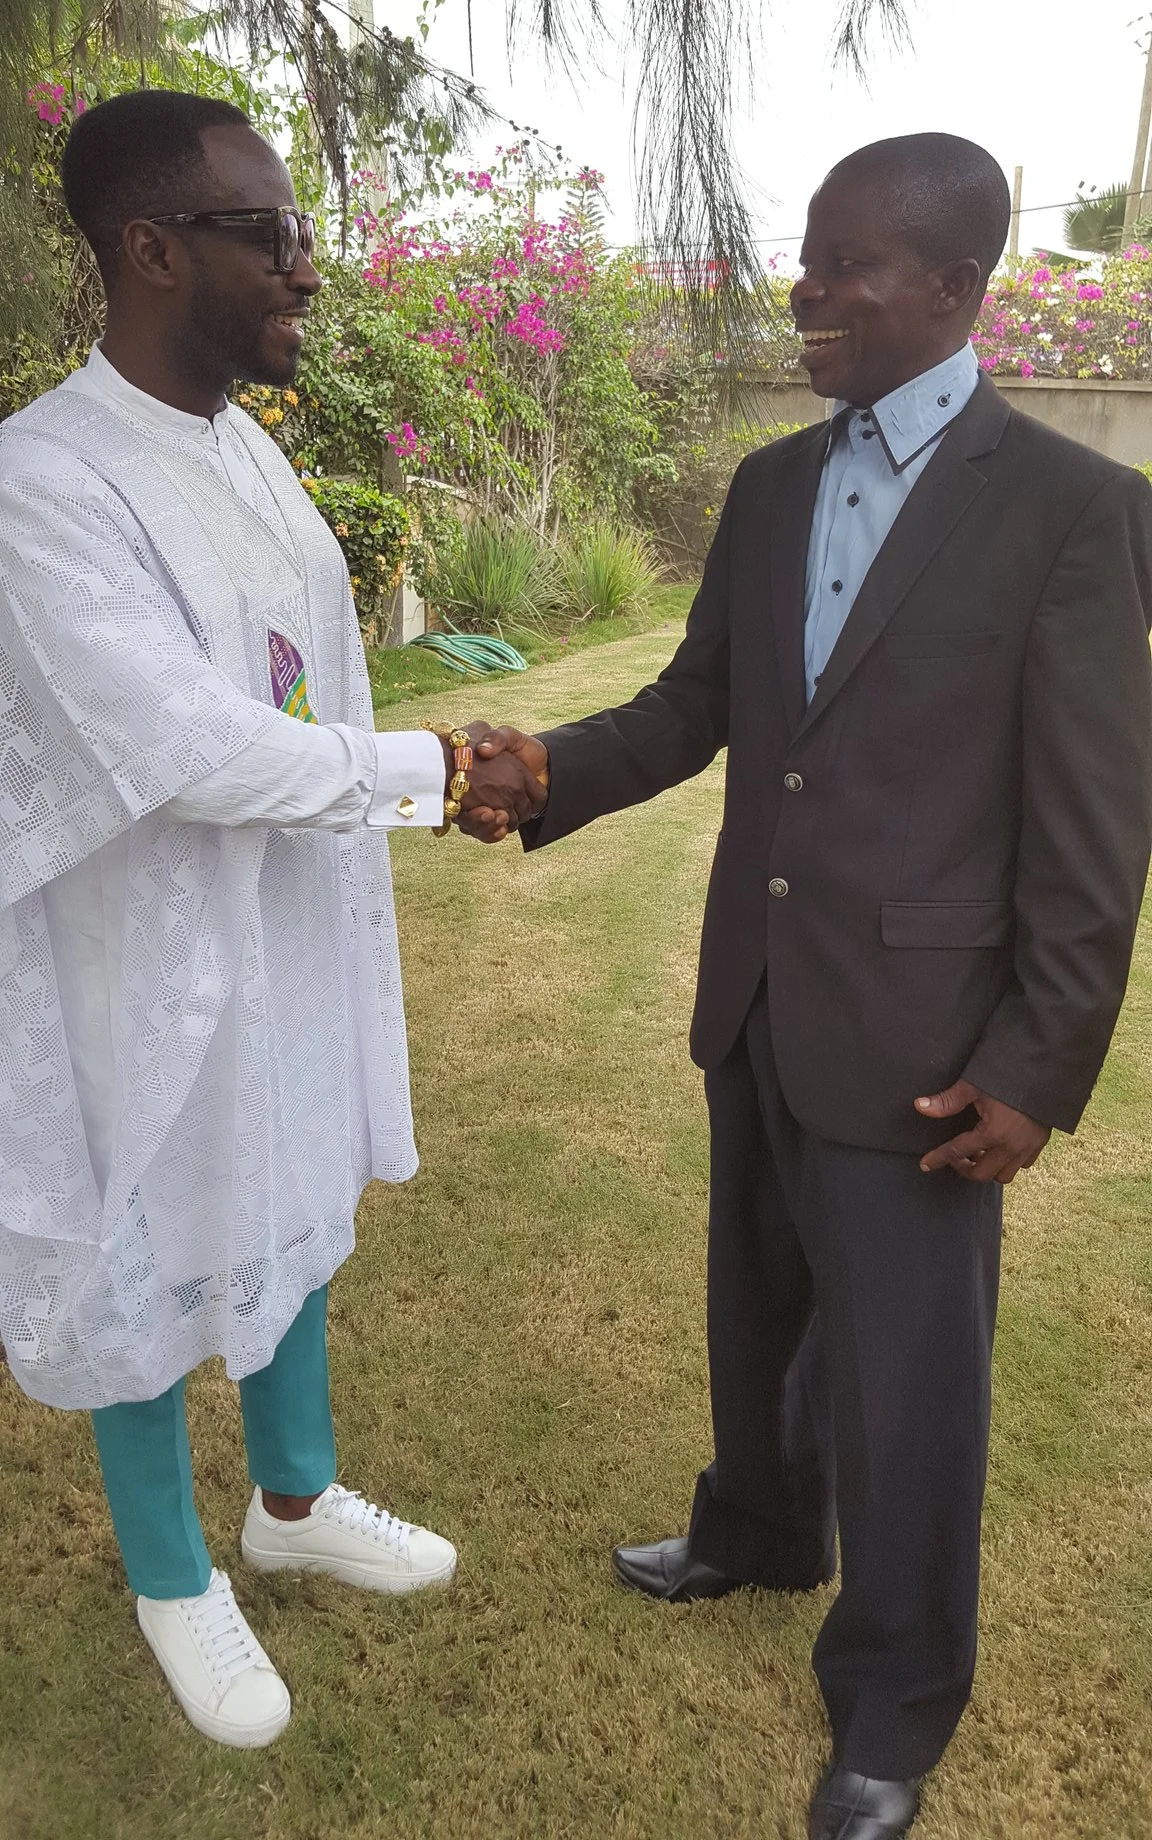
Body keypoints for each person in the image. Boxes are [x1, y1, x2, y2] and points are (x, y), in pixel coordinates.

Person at [461, 134, 1152, 1838]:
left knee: (909, 1380)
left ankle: (896, 1701)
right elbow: (694, 707)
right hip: (759, 990)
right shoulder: (773, 486)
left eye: (849, 265)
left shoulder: (1077, 512)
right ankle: (756, 1535)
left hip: (928, 1042)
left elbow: (1091, 819)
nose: (809, 293)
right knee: (755, 1300)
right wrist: (546, 767)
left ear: (957, 289)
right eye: (809, 257)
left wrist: (1038, 1060)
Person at [0, 89, 544, 1748]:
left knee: (295, 1167)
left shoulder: (242, 446)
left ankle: (292, 1504)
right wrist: (435, 770)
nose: (310, 270)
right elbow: (178, 738)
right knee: (150, 1229)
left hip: (288, 925)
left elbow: (296, 677)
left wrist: (389, 778)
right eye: (275, 236)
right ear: (152, 250)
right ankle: (176, 1574)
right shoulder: (44, 478)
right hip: (140, 957)